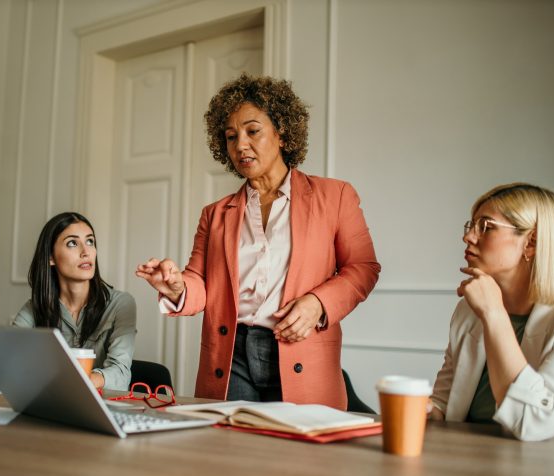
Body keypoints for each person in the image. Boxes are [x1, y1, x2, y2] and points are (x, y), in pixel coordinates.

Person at [135, 74, 380, 406]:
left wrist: (318, 303)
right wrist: (177, 287)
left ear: (281, 133)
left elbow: (362, 267)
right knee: (231, 451)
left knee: (295, 457)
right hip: (230, 355)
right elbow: (200, 283)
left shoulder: (335, 196)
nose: (240, 145)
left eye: (253, 131)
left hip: (299, 350)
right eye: (231, 136)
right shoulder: (215, 214)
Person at [430, 183, 554, 441]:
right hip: (464, 461)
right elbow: (443, 402)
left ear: (531, 242)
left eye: (486, 227)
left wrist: (494, 314)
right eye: (471, 225)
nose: (468, 237)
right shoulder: (469, 309)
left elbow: (532, 422)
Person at [0, 212, 136, 390]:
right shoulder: (33, 308)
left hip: (103, 409)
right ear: (51, 257)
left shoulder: (121, 304)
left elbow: (121, 375)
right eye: (72, 243)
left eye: (90, 241)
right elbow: (9, 355)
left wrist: (80, 382)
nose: (86, 252)